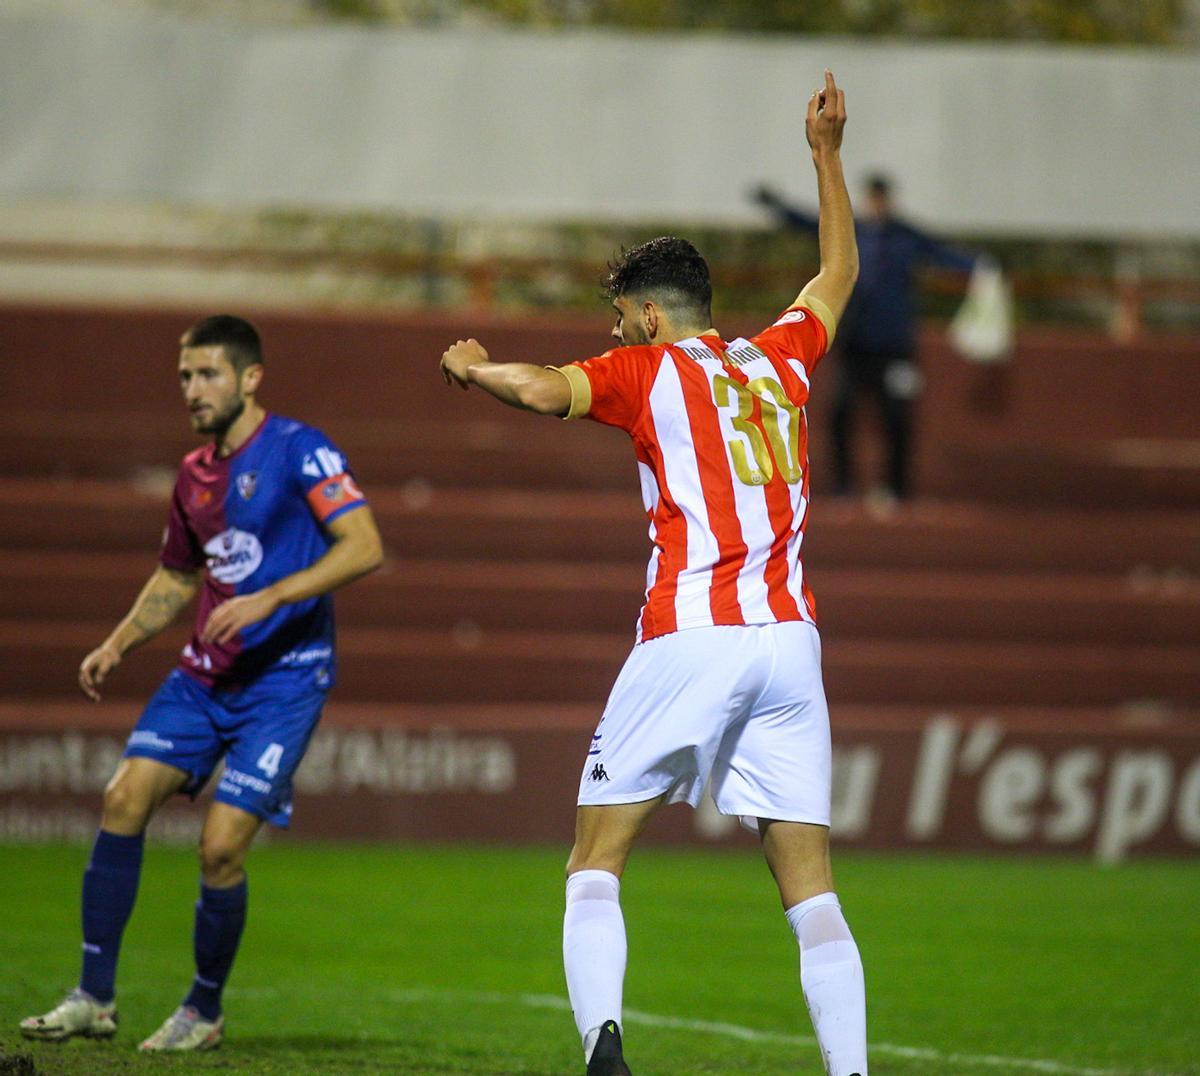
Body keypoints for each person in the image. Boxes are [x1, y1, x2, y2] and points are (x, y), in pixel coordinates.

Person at [440, 71, 867, 1076]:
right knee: (812, 887)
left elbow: (546, 391)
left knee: (595, 858)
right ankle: (850, 1072)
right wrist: (826, 155)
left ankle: (604, 1054)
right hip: (791, 645)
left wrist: (473, 367)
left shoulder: (647, 370)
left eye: (619, 316)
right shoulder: (778, 362)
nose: (617, 330)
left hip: (693, 634)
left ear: (643, 316)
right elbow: (838, 271)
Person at [20, 315, 383, 1052]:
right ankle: (93, 996)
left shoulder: (299, 450)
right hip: (204, 678)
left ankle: (203, 1011)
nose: (193, 389)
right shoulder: (194, 475)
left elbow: (365, 545)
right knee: (123, 796)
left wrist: (275, 595)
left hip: (284, 683)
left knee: (219, 848)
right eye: (185, 376)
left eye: (208, 373)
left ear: (250, 377)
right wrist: (119, 642)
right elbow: (180, 573)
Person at [754, 170, 977, 504]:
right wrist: (779, 207)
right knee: (840, 412)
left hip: (895, 349)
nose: (876, 203)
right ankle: (844, 486)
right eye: (872, 197)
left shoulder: (906, 236)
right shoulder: (854, 233)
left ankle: (896, 490)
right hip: (855, 347)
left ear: (888, 199)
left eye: (881, 197)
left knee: (897, 417)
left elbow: (942, 254)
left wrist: (982, 266)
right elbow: (811, 225)